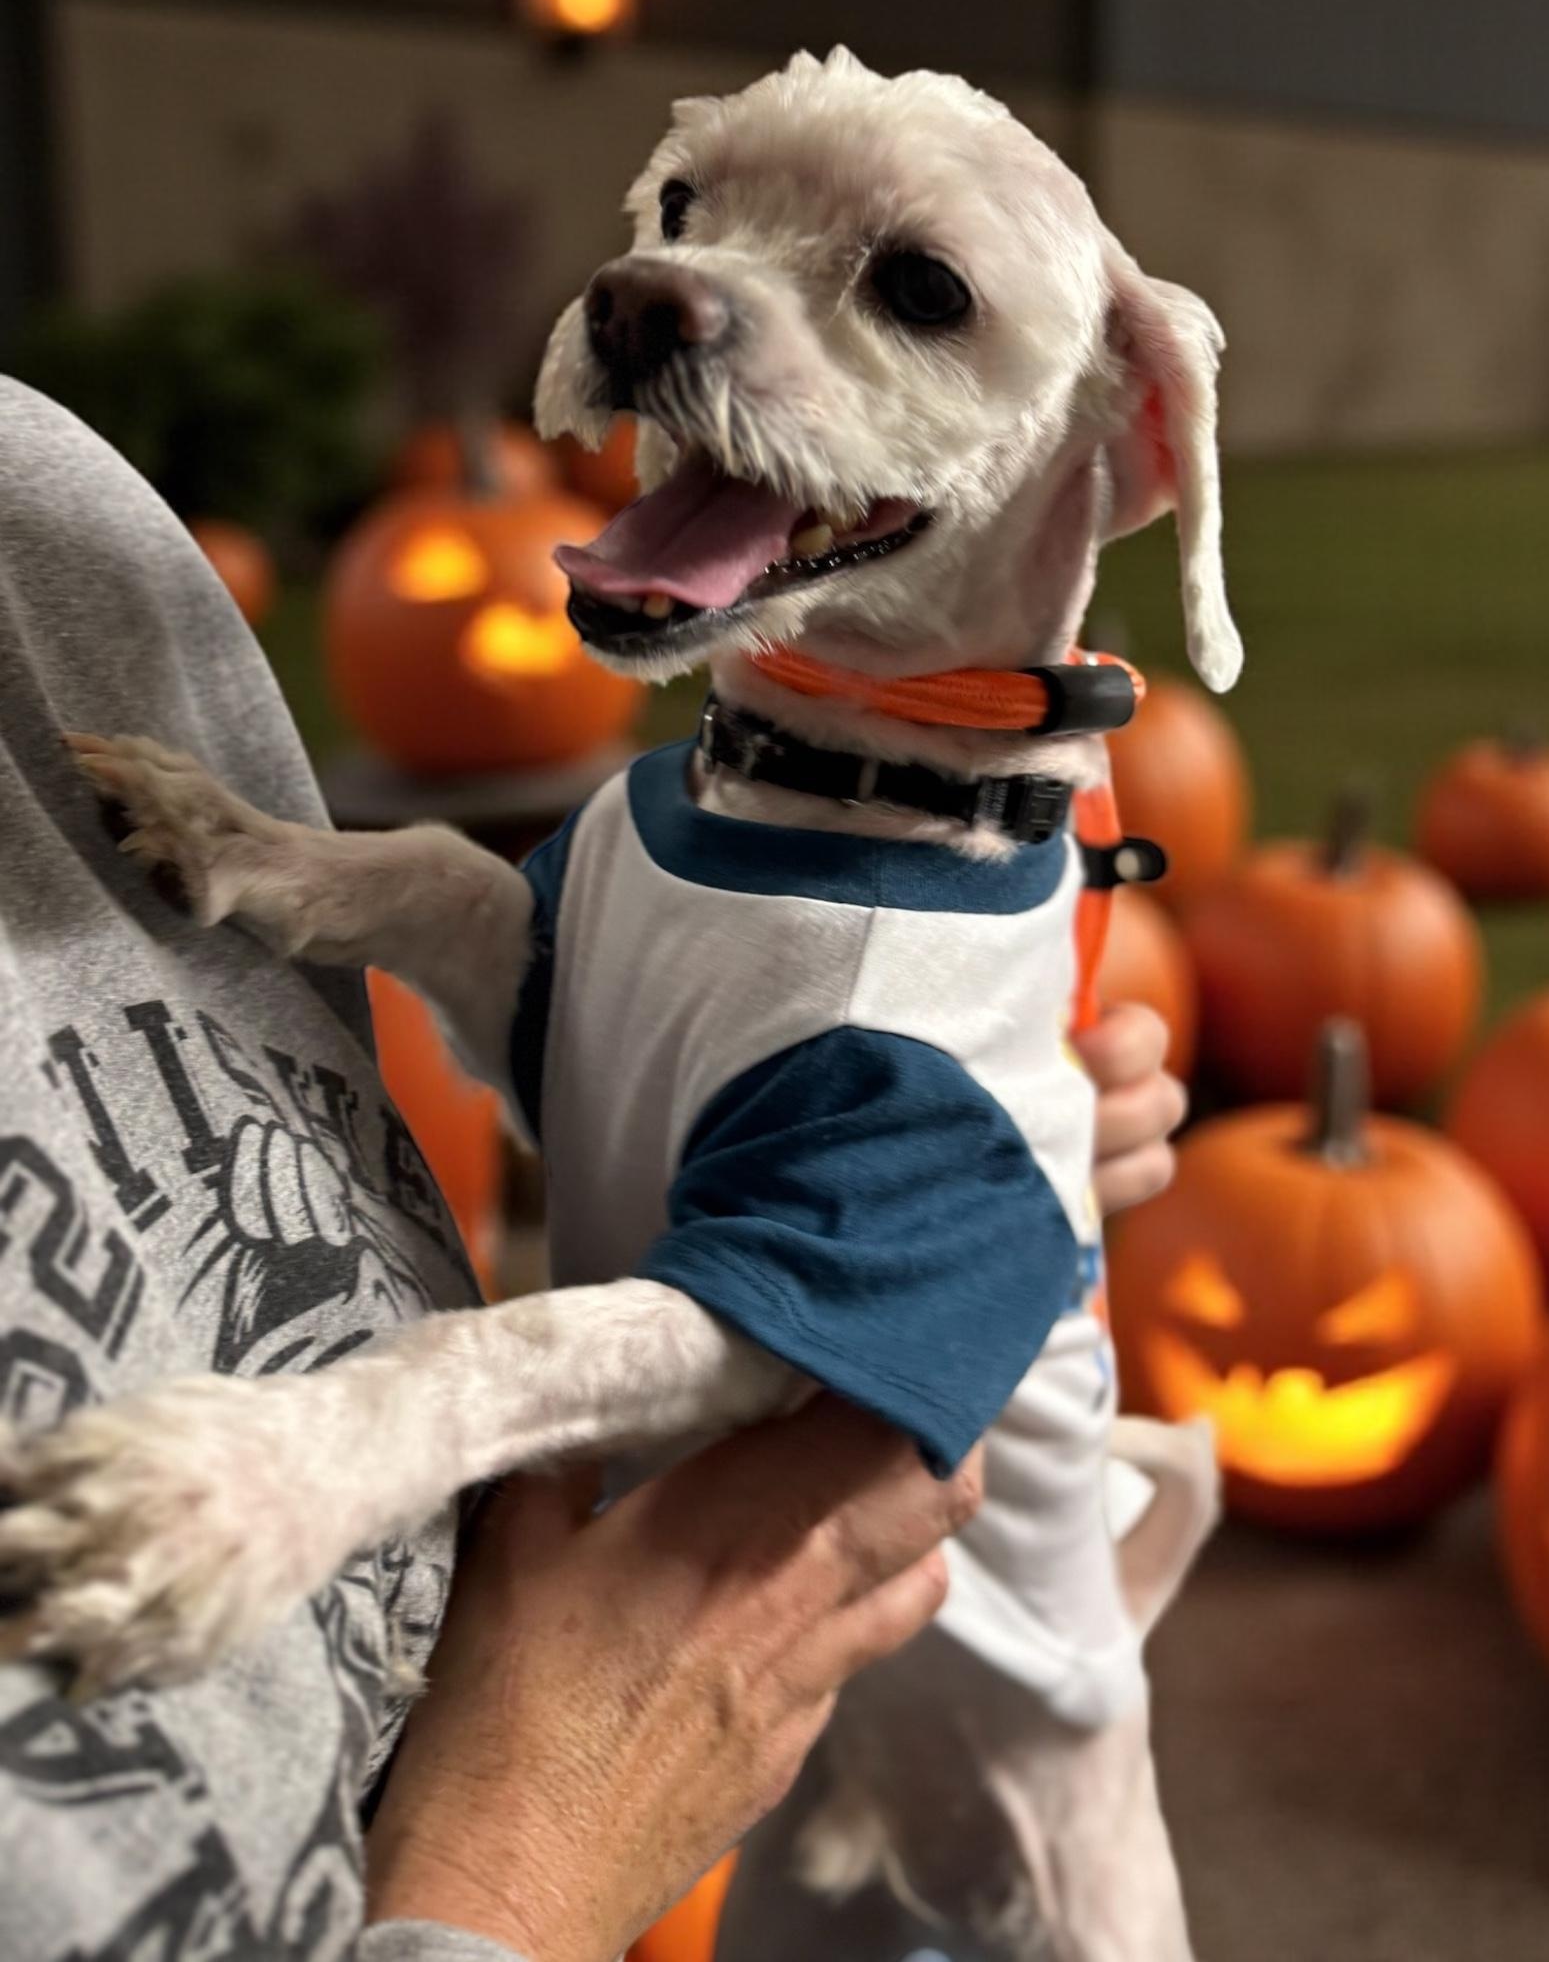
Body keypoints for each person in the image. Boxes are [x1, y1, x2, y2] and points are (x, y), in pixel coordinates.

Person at [0, 380, 1187, 1962]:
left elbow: (608, 1058)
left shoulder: (45, 516)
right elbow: (573, 1009)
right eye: (687, 213)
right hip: (694, 1739)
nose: (666, 301)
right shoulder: (660, 827)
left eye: (909, 299)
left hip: (1005, 1794)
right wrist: (515, 1882)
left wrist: (983, 1149)